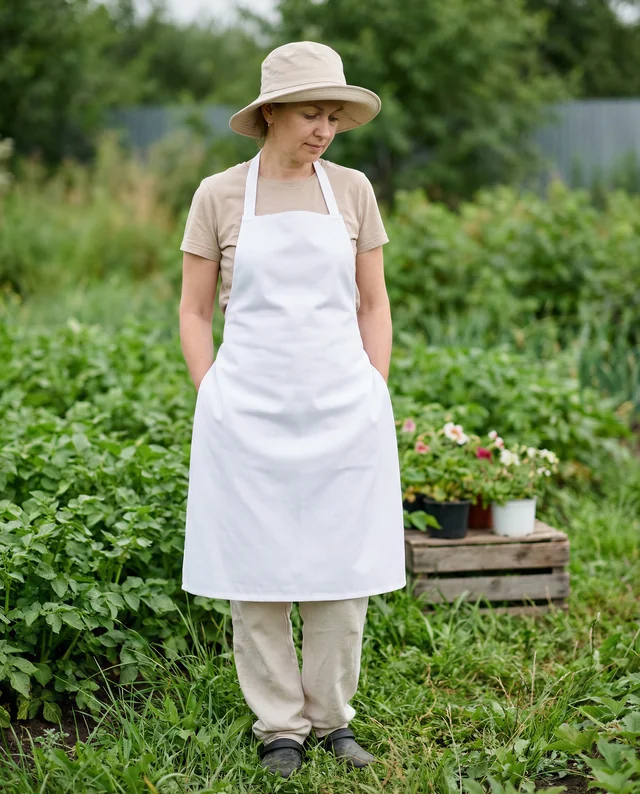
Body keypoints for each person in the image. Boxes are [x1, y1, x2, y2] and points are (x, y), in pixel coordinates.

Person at [178, 40, 406, 779]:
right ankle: (279, 726)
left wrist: (374, 387)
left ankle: (333, 718)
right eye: (312, 113)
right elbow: (192, 308)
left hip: (344, 408)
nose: (325, 130)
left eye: (334, 116)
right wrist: (211, 391)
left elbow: (375, 303)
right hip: (247, 410)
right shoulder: (217, 194)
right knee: (257, 570)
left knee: (343, 572)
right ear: (271, 112)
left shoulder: (352, 190)